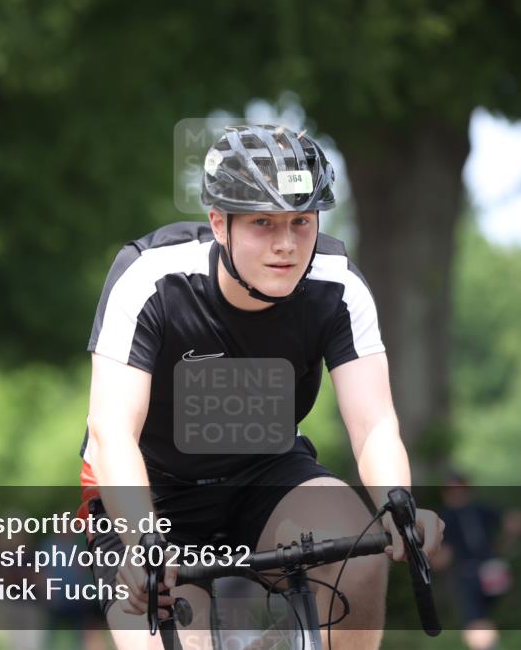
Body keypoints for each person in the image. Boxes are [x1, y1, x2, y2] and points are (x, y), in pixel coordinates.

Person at [79, 124, 444, 650]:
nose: (286, 244)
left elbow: (374, 424)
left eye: (302, 221)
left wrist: (399, 502)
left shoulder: (337, 285)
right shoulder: (150, 277)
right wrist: (140, 542)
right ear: (218, 224)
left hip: (264, 473)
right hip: (149, 489)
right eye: (262, 223)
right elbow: (112, 431)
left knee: (357, 553)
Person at [433, 471, 521, 650]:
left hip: (474, 574)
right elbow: (515, 522)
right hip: (490, 571)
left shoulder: (450, 517)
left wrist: (501, 547)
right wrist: (501, 548)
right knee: (482, 620)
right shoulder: (475, 510)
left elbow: (442, 560)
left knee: (476, 623)